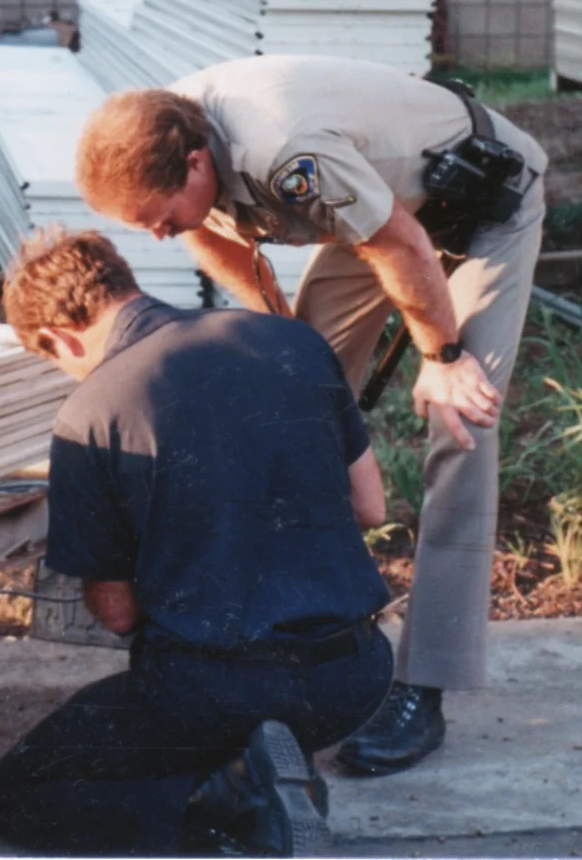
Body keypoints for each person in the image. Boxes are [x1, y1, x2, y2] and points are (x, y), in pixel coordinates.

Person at [74, 55, 547, 774]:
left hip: (484, 196)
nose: (160, 237)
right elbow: (207, 234)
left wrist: (444, 355)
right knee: (290, 403)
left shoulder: (280, 153)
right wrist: (283, 341)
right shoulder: (171, 130)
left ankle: (425, 683)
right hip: (387, 211)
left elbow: (403, 245)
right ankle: (293, 629)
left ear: (197, 165)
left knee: (462, 420)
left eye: (160, 218)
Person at [0, 229, 394, 857]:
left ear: (61, 337)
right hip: (351, 680)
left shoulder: (92, 412)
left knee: (19, 793)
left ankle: (232, 802)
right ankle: (277, 769)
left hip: (214, 695)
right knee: (248, 697)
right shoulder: (292, 341)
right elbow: (370, 506)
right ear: (125, 282)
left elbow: (117, 611)